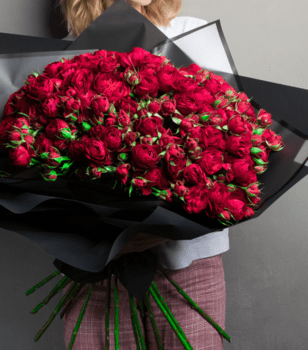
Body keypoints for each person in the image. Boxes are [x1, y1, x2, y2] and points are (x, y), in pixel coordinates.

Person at [58, 1, 228, 349]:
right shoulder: (64, 53)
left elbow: (225, 151)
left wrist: (153, 229)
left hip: (187, 268)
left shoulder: (191, 36)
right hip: (95, 272)